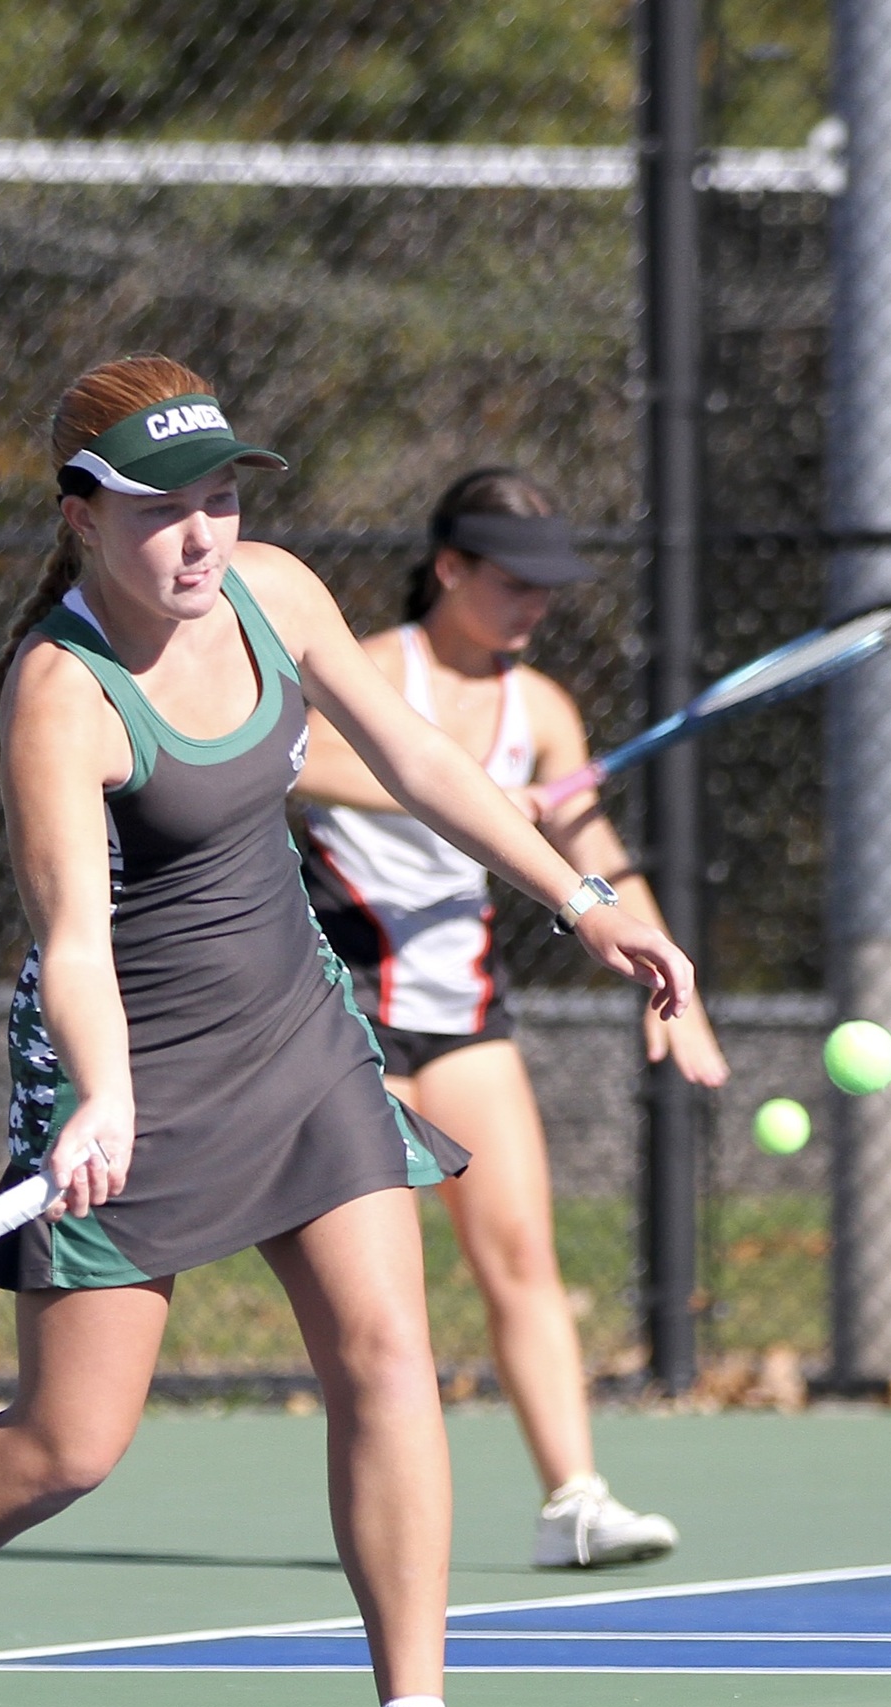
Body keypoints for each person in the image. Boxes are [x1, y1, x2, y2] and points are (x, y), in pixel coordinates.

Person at [0, 360, 693, 1707]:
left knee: (388, 1355)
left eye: (222, 497)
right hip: (124, 1069)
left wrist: (580, 897)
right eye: (167, 510)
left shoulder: (273, 592)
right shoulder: (59, 692)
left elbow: (414, 758)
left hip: (298, 1032)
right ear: (82, 516)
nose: (204, 536)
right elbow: (72, 937)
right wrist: (100, 1096)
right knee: (69, 1445)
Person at [296, 467, 729, 1567]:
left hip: (466, 1012)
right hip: (343, 1008)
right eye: (513, 580)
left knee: (522, 1257)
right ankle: (389, 1509)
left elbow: (593, 853)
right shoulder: (368, 671)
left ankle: (573, 1499)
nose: (535, 604)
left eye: (550, 584)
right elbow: (293, 764)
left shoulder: (541, 709)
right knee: (379, 1295)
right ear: (449, 569)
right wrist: (465, 794)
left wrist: (670, 981)